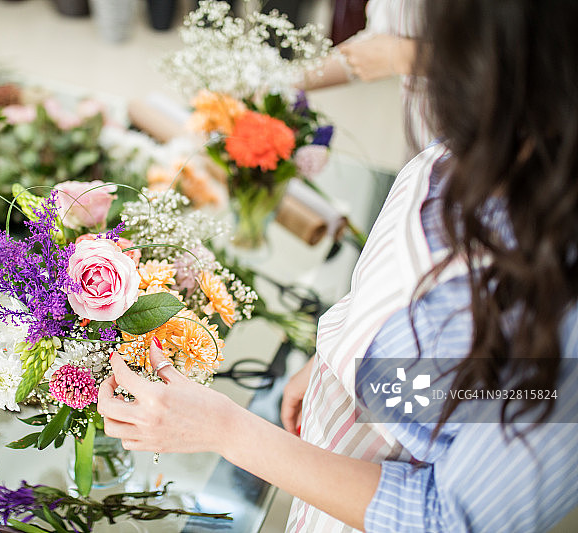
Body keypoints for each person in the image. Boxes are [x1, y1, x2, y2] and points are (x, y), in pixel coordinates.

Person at [97, 1, 578, 531]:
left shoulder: (560, 315)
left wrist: (227, 430)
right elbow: (403, 294)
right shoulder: (487, 142)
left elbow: (445, 517)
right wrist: (337, 355)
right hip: (334, 446)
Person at [300, 0, 431, 156]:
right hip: (421, 144)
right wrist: (283, 83)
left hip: (458, 143)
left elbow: (466, 55)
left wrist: (398, 55)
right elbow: (372, 45)